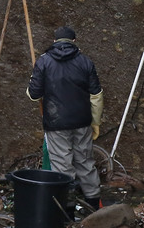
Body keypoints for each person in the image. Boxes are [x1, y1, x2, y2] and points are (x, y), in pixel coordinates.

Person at [27, 25, 105, 210]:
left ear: (54, 42)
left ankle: (67, 213)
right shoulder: (86, 62)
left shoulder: (44, 61)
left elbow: (34, 94)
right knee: (85, 163)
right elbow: (96, 95)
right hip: (82, 122)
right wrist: (95, 122)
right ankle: (93, 207)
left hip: (56, 123)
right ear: (74, 42)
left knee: (62, 167)